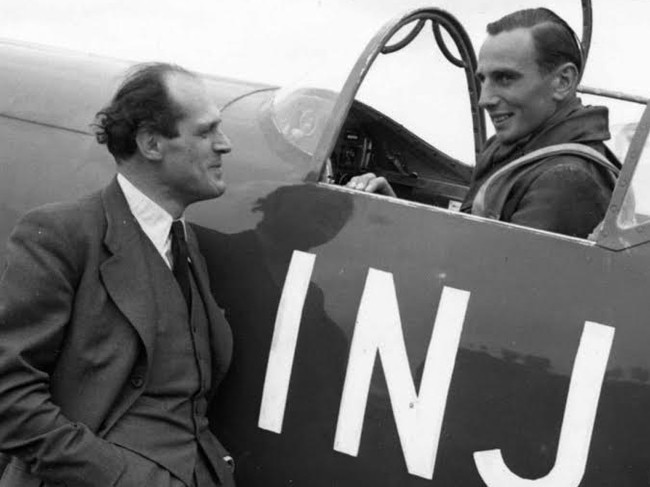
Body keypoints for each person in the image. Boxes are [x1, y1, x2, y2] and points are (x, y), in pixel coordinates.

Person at [0, 63, 235, 486]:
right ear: (151, 143)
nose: (225, 145)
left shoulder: (186, 245)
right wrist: (118, 476)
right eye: (205, 132)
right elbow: (8, 397)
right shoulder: (60, 235)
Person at [347, 8, 619, 238]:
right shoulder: (518, 150)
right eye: (483, 80)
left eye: (505, 78)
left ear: (563, 82)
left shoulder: (565, 180)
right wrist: (393, 216)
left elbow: (485, 288)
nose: (484, 99)